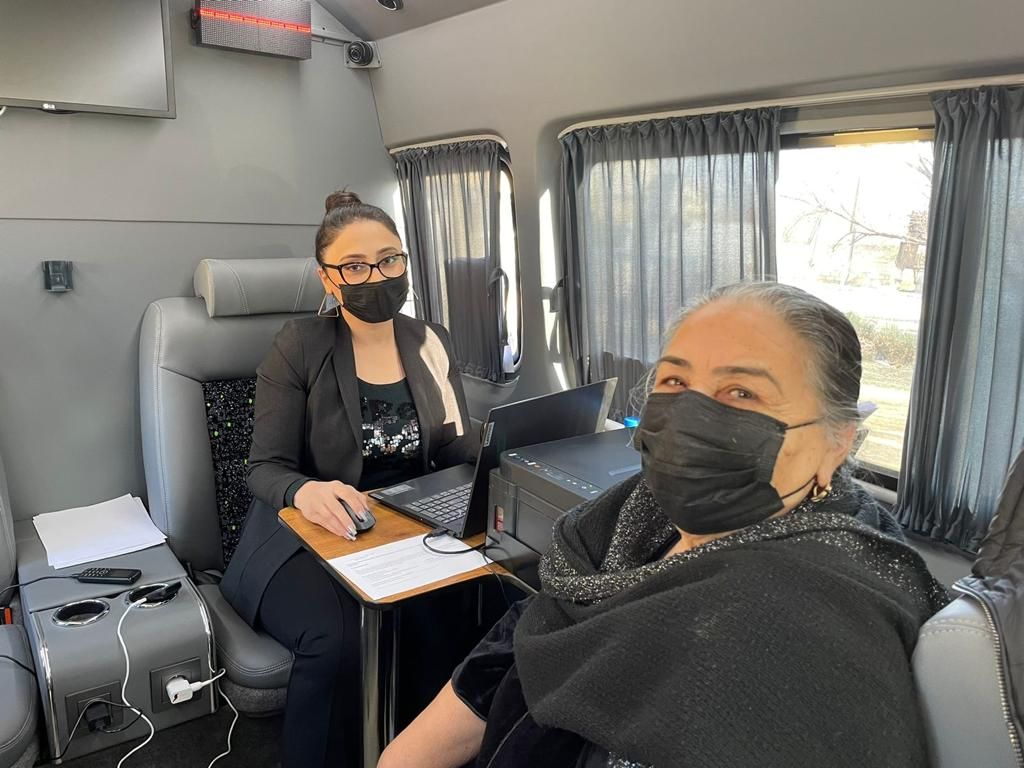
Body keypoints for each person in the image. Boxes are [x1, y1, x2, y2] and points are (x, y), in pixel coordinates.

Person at [379, 282, 949, 768]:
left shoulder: (813, 624)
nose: (691, 416)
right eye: (675, 382)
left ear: (836, 443)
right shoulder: (623, 521)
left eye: (742, 392)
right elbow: (509, 657)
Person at [219, 191, 479, 768]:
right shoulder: (299, 345)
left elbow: (453, 447)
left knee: (469, 605)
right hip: (303, 532)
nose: (376, 277)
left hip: (404, 523)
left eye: (389, 260)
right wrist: (306, 490)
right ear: (328, 278)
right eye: (355, 267)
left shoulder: (430, 340)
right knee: (340, 640)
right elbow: (264, 468)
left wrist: (508, 448)